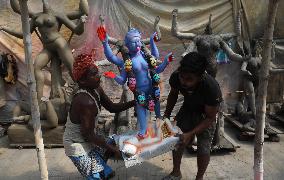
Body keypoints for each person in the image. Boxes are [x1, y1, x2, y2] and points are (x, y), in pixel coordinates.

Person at [63, 54, 136, 180]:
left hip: (88, 138)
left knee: (112, 142)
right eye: (94, 74)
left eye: (97, 72)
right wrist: (113, 149)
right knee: (98, 173)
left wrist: (134, 103)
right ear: (82, 81)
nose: (99, 76)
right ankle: (98, 172)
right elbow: (89, 135)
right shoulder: (84, 101)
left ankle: (102, 169)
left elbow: (112, 107)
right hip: (76, 144)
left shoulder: (96, 89)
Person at [97, 26, 173, 138]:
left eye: (138, 41)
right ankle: (143, 131)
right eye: (133, 42)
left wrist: (165, 61)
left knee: (158, 112)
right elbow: (113, 60)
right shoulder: (126, 63)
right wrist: (105, 43)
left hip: (153, 87)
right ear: (127, 45)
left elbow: (157, 68)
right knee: (141, 110)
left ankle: (164, 131)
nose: (137, 44)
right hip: (140, 92)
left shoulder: (145, 57)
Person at [162, 52, 222, 180]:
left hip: (205, 115)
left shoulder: (211, 88)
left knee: (204, 148)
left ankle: (199, 178)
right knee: (177, 142)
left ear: (200, 77)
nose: (184, 82)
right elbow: (173, 94)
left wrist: (190, 134)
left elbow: (210, 118)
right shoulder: (176, 77)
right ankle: (176, 173)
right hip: (188, 109)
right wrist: (166, 115)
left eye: (189, 79)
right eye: (182, 77)